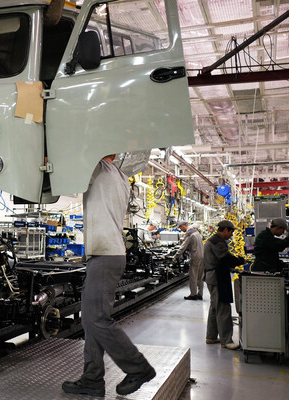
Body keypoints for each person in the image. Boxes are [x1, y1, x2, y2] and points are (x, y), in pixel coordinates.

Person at [62, 154, 155, 397]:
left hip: (105, 253)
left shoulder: (97, 167)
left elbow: (63, 177)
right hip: (109, 253)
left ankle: (138, 368)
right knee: (90, 320)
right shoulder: (120, 176)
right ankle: (92, 379)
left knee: (96, 318)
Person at [203, 220, 245, 350]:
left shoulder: (213, 240)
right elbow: (225, 257)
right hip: (217, 277)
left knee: (214, 308)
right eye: (231, 232)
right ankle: (226, 341)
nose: (231, 235)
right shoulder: (217, 242)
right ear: (225, 229)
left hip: (213, 276)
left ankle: (211, 336)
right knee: (223, 308)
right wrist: (240, 261)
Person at [173, 221, 204, 300]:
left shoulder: (189, 233)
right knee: (200, 276)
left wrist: (176, 256)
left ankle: (193, 295)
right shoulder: (196, 232)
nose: (180, 230)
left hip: (195, 257)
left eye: (180, 228)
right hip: (202, 256)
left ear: (184, 226)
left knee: (193, 275)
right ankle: (200, 294)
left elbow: (183, 247)